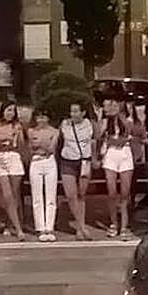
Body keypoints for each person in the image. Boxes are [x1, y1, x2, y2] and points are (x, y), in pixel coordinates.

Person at [99, 96, 139, 238]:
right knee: (111, 192)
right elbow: (99, 136)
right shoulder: (105, 121)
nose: (112, 108)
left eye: (115, 105)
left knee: (125, 192)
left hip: (125, 154)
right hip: (110, 154)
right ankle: (113, 223)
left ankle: (124, 225)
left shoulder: (127, 120)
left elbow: (133, 133)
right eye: (110, 105)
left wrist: (122, 116)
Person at [0, 101, 26, 240]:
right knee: (7, 195)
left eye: (13, 111)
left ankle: (11, 224)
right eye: (8, 110)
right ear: (3, 110)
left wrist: (18, 135)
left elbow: (20, 145)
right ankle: (18, 229)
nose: (11, 113)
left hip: (13, 157)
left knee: (14, 195)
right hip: (0, 158)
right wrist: (3, 138)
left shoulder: (17, 125)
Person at [58, 101, 95, 239]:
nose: (73, 114)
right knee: (70, 195)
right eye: (71, 111)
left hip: (84, 161)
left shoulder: (89, 124)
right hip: (68, 160)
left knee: (81, 195)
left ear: (83, 112)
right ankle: (81, 226)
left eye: (76, 111)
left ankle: (81, 226)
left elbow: (95, 140)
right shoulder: (65, 124)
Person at [27, 109, 59, 241]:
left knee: (51, 195)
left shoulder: (55, 131)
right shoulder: (31, 131)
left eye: (43, 117)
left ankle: (49, 227)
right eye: (38, 117)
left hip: (50, 162)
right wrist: (40, 144)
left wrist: (40, 143)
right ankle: (40, 227)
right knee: (37, 196)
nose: (41, 120)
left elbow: (51, 148)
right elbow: (31, 147)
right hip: (36, 161)